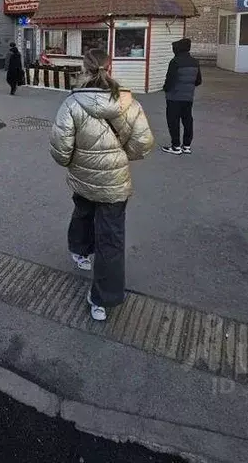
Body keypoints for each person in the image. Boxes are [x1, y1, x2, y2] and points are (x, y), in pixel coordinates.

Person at [49, 48, 154, 322]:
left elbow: (60, 151)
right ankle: (102, 299)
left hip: (83, 178)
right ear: (110, 68)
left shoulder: (71, 105)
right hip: (115, 184)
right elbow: (143, 144)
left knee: (83, 210)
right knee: (111, 240)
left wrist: (77, 161)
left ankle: (80, 251)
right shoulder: (129, 103)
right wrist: (121, 156)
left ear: (84, 70)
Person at [161, 37, 202, 155]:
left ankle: (176, 146)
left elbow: (170, 80)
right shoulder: (195, 62)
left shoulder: (175, 62)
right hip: (188, 97)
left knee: (173, 121)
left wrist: (165, 89)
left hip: (174, 97)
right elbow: (198, 81)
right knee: (187, 120)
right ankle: (187, 146)